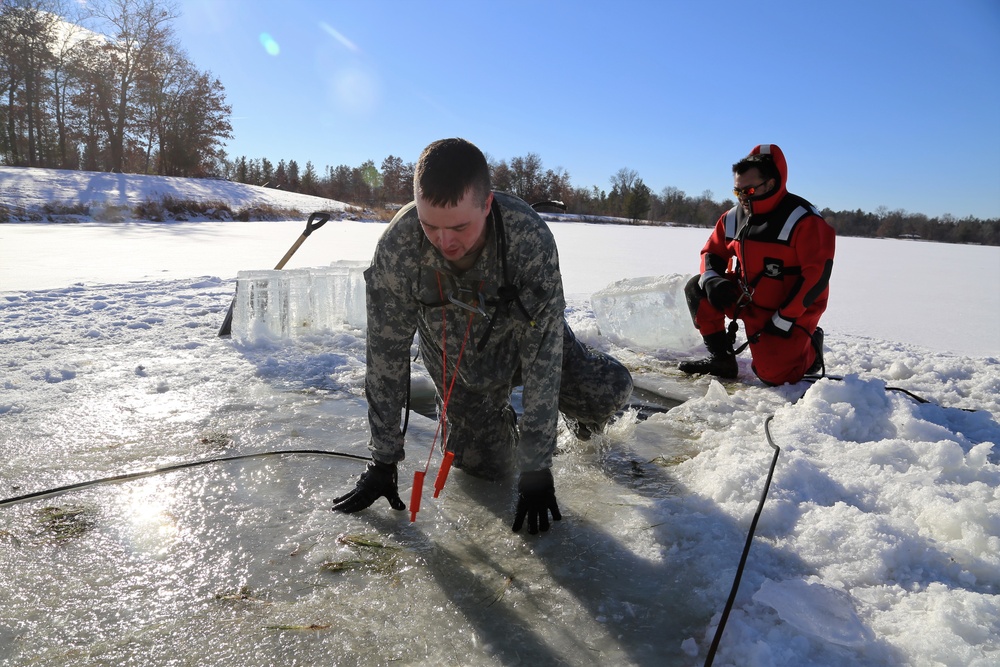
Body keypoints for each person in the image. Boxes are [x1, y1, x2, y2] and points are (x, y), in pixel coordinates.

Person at [332, 138, 633, 534]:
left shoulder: (527, 238)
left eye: (459, 227)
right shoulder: (399, 246)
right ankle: (498, 424)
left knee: (605, 393)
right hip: (461, 367)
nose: (445, 242)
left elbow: (543, 355)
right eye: (430, 226)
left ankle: (573, 418)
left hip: (526, 345)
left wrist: (537, 466)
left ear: (487, 205)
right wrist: (383, 460)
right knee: (483, 467)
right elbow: (385, 358)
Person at [679, 144, 835, 386]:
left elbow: (816, 277)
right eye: (737, 191)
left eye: (748, 190)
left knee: (774, 376)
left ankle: (811, 347)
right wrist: (712, 279)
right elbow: (712, 252)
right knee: (697, 288)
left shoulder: (804, 220)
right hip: (746, 297)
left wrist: (785, 318)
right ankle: (721, 359)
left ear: (771, 184)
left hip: (788, 307)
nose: (742, 198)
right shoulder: (732, 217)